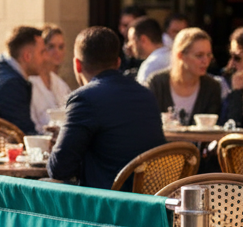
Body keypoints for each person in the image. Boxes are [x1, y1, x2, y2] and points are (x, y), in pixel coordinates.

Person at [47, 26, 165, 190]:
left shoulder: (84, 98)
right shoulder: (146, 95)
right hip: (149, 200)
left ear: (77, 65)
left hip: (106, 204)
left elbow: (59, 169)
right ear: (118, 62)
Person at [145, 28, 221, 122]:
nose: (205, 61)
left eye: (209, 55)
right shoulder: (157, 84)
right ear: (180, 56)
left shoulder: (212, 87)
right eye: (199, 55)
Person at [30, 25, 72, 132]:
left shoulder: (60, 84)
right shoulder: (30, 82)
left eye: (61, 47)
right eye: (51, 47)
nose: (57, 52)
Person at [130, 17, 172, 86]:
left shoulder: (149, 66)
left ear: (143, 39)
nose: (130, 44)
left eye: (132, 40)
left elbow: (142, 95)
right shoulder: (174, 56)